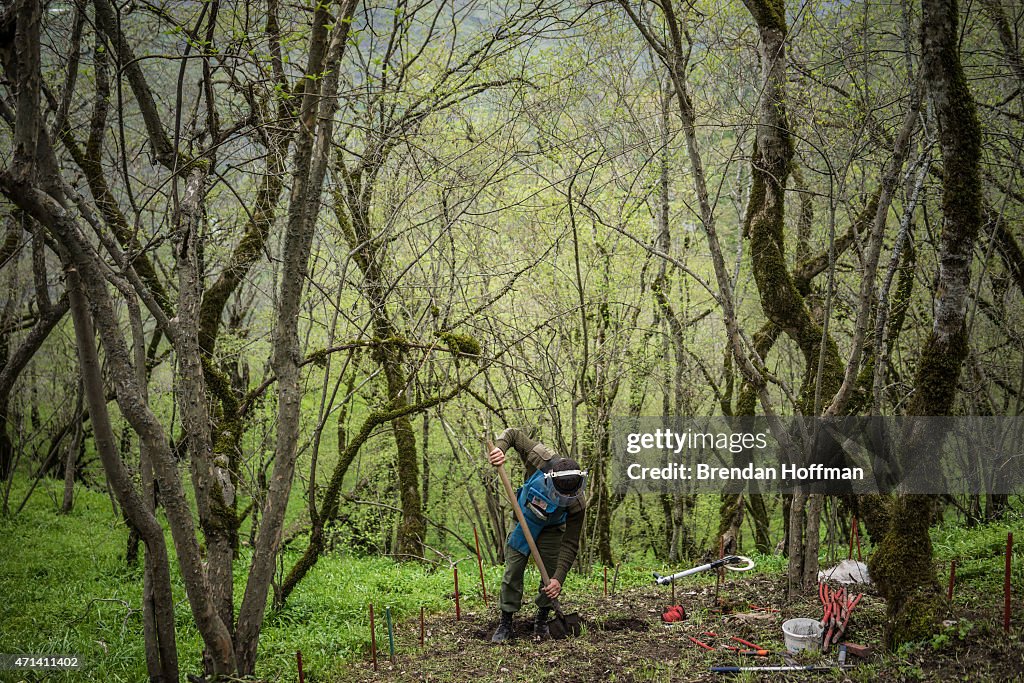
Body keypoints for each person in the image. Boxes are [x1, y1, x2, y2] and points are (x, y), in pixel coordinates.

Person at [487, 427, 587, 642]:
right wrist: (499, 449)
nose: (565, 500)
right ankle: (506, 621)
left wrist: (558, 579)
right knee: (513, 570)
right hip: (525, 520)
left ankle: (542, 619)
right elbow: (512, 434)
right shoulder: (541, 458)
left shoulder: (578, 502)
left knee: (549, 576)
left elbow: (570, 543)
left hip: (553, 529)